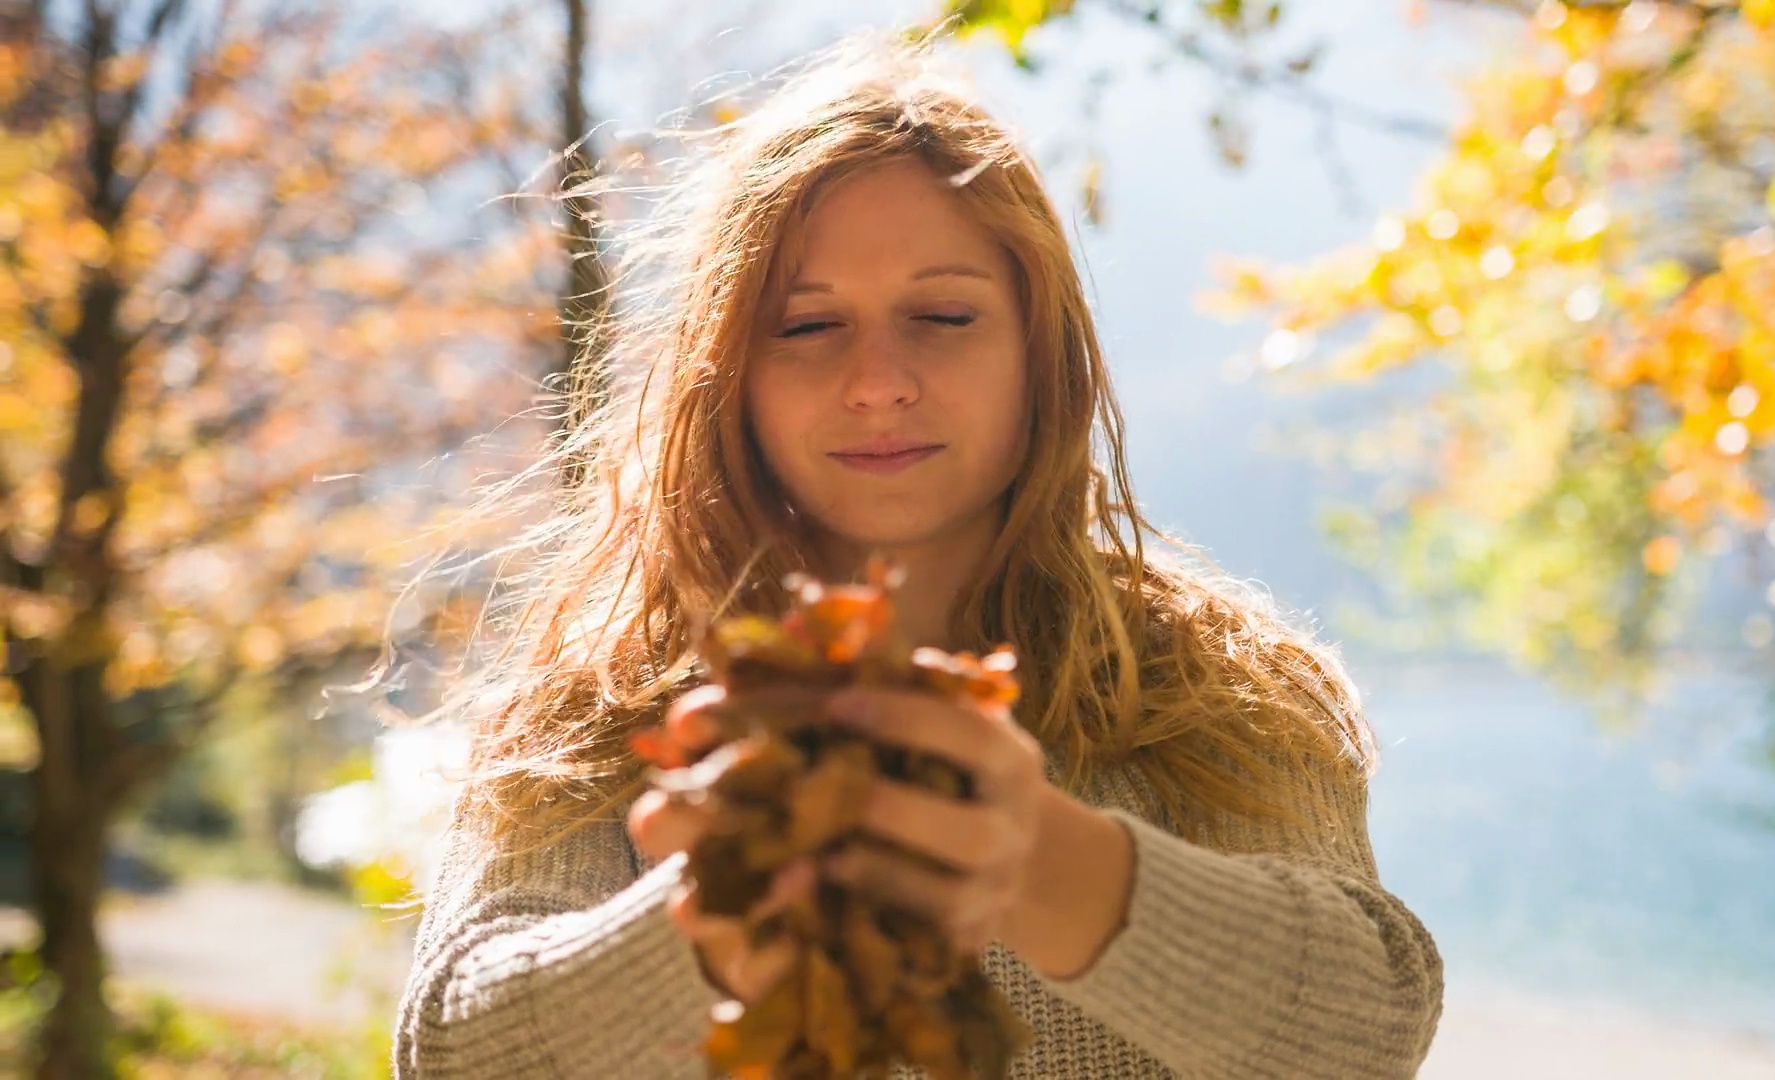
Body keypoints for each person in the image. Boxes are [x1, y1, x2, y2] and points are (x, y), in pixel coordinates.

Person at [393, 33, 1443, 1080]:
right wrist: (712, 924)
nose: (879, 382)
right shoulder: (590, 709)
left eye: (943, 315)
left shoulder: (1224, 688)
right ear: (727, 374)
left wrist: (1032, 854)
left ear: (1043, 355)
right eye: (808, 327)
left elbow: (1365, 1031)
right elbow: (454, 1053)